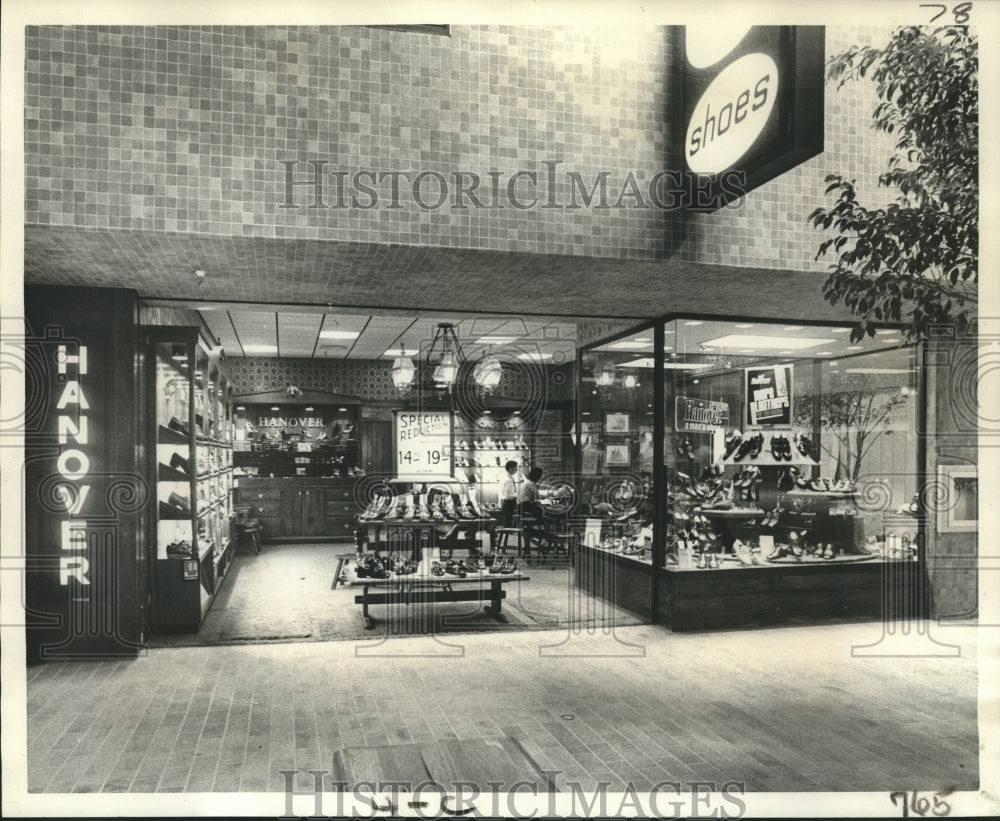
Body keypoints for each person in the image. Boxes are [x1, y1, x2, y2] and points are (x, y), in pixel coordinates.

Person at [499, 460, 522, 525]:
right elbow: (508, 496)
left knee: (508, 524)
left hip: (506, 504)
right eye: (515, 468)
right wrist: (518, 495)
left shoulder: (507, 477)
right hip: (509, 504)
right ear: (510, 469)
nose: (516, 470)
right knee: (508, 525)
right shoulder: (508, 480)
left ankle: (505, 534)